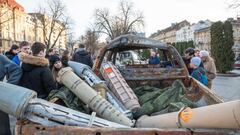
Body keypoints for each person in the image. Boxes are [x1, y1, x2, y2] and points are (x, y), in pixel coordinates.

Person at [0, 55, 22, 135]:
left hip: (0, 99)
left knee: (3, 129)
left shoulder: (1, 58)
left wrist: (7, 87)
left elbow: (16, 70)